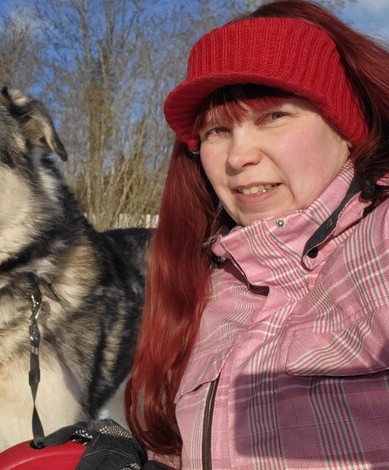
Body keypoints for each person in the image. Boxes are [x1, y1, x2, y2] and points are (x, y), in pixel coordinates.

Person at [125, 0, 389, 468]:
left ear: (346, 127)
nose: (238, 156)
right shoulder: (202, 288)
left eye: (274, 116)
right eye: (217, 130)